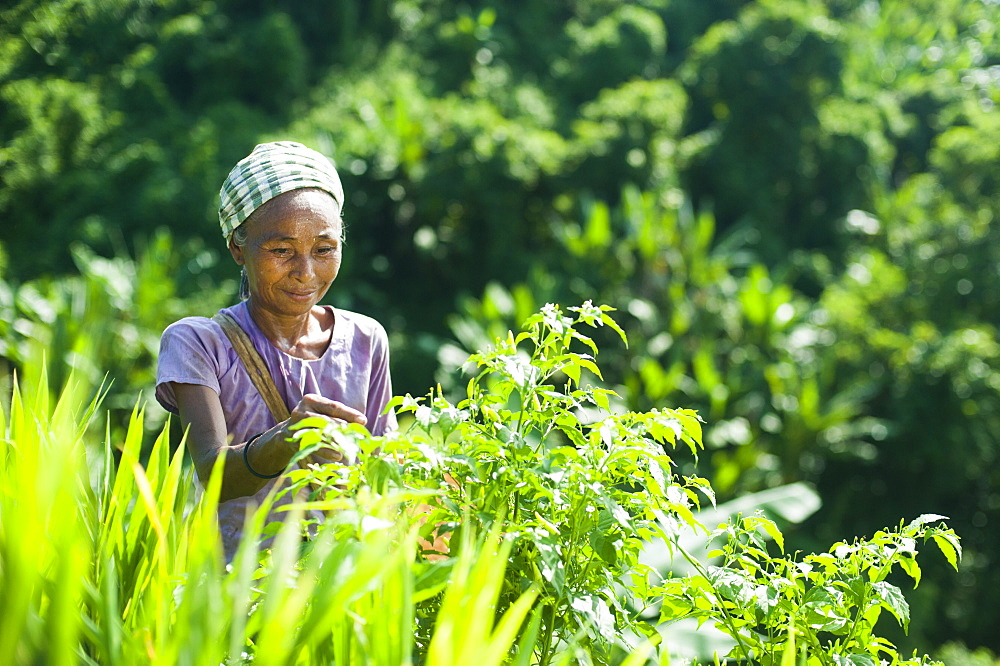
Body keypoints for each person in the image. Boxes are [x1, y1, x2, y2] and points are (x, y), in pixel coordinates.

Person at [156, 141, 396, 561]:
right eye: (281, 251)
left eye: (324, 250)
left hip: (335, 590)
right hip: (238, 595)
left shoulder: (365, 339)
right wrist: (289, 439)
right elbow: (213, 473)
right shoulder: (199, 343)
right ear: (237, 248)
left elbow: (383, 470)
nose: (306, 272)